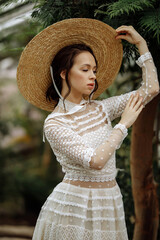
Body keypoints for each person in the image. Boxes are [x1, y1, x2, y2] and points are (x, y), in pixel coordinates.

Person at [17, 18, 159, 240]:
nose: (93, 75)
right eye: (85, 69)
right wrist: (123, 124)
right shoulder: (55, 123)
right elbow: (96, 161)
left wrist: (141, 45)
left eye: (94, 69)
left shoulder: (101, 108)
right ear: (64, 73)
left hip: (109, 202)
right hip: (73, 206)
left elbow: (151, 89)